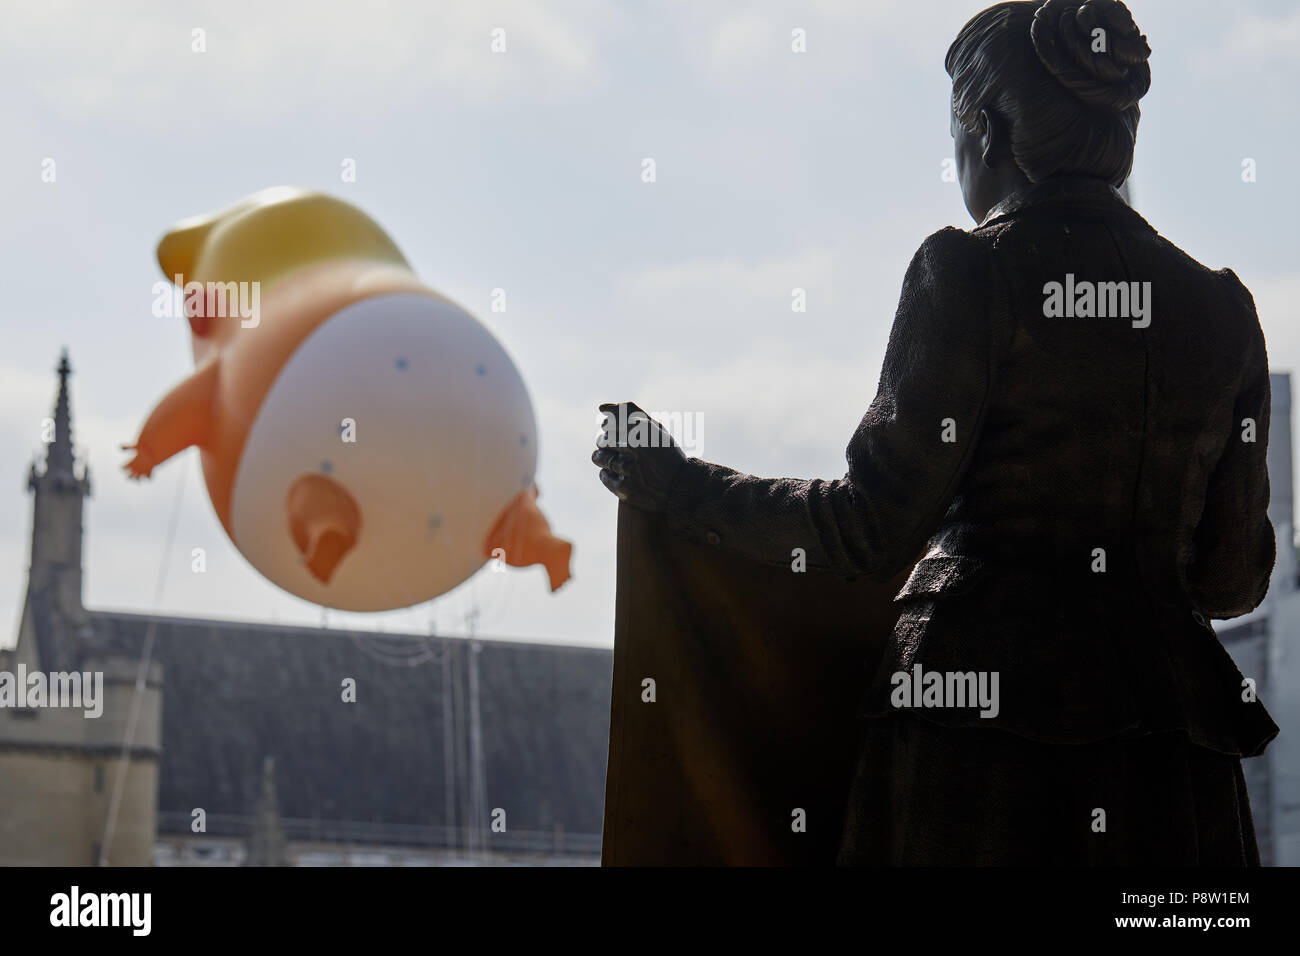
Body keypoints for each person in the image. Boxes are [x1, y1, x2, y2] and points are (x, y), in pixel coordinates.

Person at [592, 0, 1278, 865]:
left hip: (979, 749)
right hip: (1170, 767)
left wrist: (682, 486)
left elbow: (865, 530)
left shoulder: (969, 271)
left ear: (985, 131)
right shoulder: (1221, 311)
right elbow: (1229, 579)